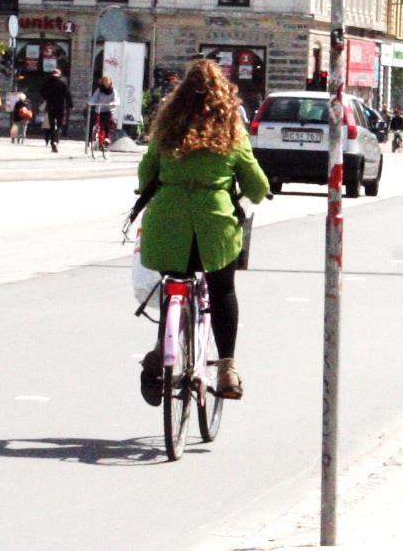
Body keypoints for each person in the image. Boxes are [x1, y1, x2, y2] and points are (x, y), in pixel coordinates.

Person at [136, 58, 271, 402]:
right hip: (214, 226)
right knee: (222, 288)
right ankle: (227, 368)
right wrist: (255, 192)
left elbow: (145, 172)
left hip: (168, 223)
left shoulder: (167, 130)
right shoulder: (230, 133)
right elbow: (256, 184)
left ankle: (160, 348)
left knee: (173, 284)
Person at [38, 68, 72, 152]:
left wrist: (46, 98)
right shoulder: (62, 83)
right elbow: (68, 94)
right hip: (60, 106)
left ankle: (52, 141)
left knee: (52, 125)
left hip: (50, 106)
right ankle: (55, 142)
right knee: (59, 126)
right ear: (59, 74)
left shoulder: (47, 82)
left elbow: (42, 92)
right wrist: (70, 105)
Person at [89, 73, 118, 148]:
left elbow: (116, 99)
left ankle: (107, 138)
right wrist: (91, 102)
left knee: (106, 124)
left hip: (108, 109)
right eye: (104, 81)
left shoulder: (113, 91)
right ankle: (93, 136)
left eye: (107, 81)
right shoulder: (99, 90)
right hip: (99, 109)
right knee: (96, 123)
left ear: (110, 82)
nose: (106, 83)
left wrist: (113, 103)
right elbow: (94, 97)